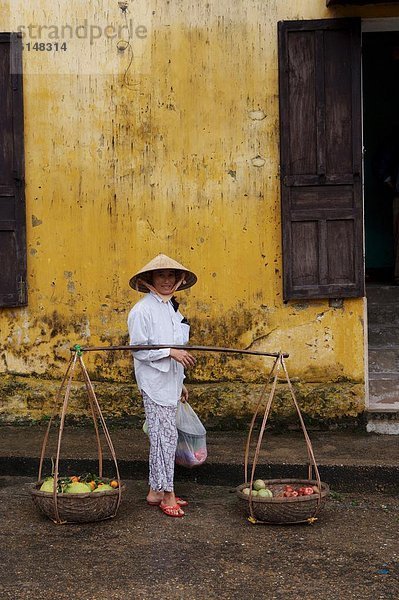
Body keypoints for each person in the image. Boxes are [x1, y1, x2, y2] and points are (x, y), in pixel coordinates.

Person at [127, 253, 197, 517]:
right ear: (149, 280)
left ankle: (156, 490)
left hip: (170, 382)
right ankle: (167, 494)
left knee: (164, 436)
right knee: (163, 438)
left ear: (178, 280)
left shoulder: (170, 308)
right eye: (161, 275)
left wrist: (180, 382)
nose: (166, 281)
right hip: (154, 384)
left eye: (170, 276)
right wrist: (168, 352)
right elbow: (139, 349)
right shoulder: (142, 310)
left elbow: (178, 349)